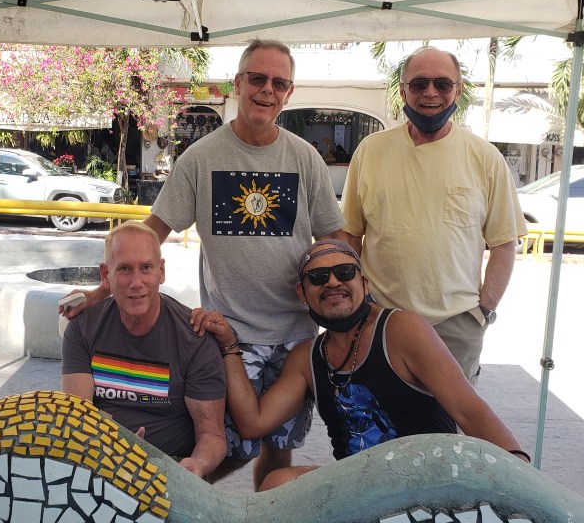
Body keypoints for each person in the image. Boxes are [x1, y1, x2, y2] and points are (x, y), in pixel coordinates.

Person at [63, 39, 350, 490]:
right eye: (257, 78)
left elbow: (335, 241)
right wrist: (103, 289)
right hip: (228, 331)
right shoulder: (201, 158)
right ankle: (173, 500)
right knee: (227, 445)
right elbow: (151, 232)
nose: (267, 90)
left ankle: (261, 514)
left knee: (278, 449)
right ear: (237, 83)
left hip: (294, 335)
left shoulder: (304, 158)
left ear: (289, 93)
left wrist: (356, 306)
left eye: (279, 83)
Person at [199, 239, 530, 491]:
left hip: (428, 477)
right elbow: (253, 423)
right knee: (277, 483)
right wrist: (229, 345)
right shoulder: (307, 357)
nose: (333, 282)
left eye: (345, 272)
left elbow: (468, 408)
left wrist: (520, 470)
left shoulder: (401, 329)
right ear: (302, 293)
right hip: (359, 486)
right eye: (318, 277)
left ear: (364, 284)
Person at [341, 46, 526, 383]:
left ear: (459, 89)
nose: (430, 92)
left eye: (442, 84)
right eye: (418, 83)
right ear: (402, 90)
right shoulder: (370, 151)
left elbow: (503, 243)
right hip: (379, 319)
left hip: (455, 326)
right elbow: (351, 235)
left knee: (448, 418)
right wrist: (359, 304)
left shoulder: (485, 158)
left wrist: (483, 312)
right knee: (378, 414)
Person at [61, 221, 226, 479]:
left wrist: (198, 464)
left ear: (161, 271)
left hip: (169, 467)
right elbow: (78, 413)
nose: (136, 282)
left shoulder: (195, 336)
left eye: (146, 268)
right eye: (124, 269)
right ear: (105, 275)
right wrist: (104, 437)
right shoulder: (83, 327)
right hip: (98, 455)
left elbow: (211, 433)